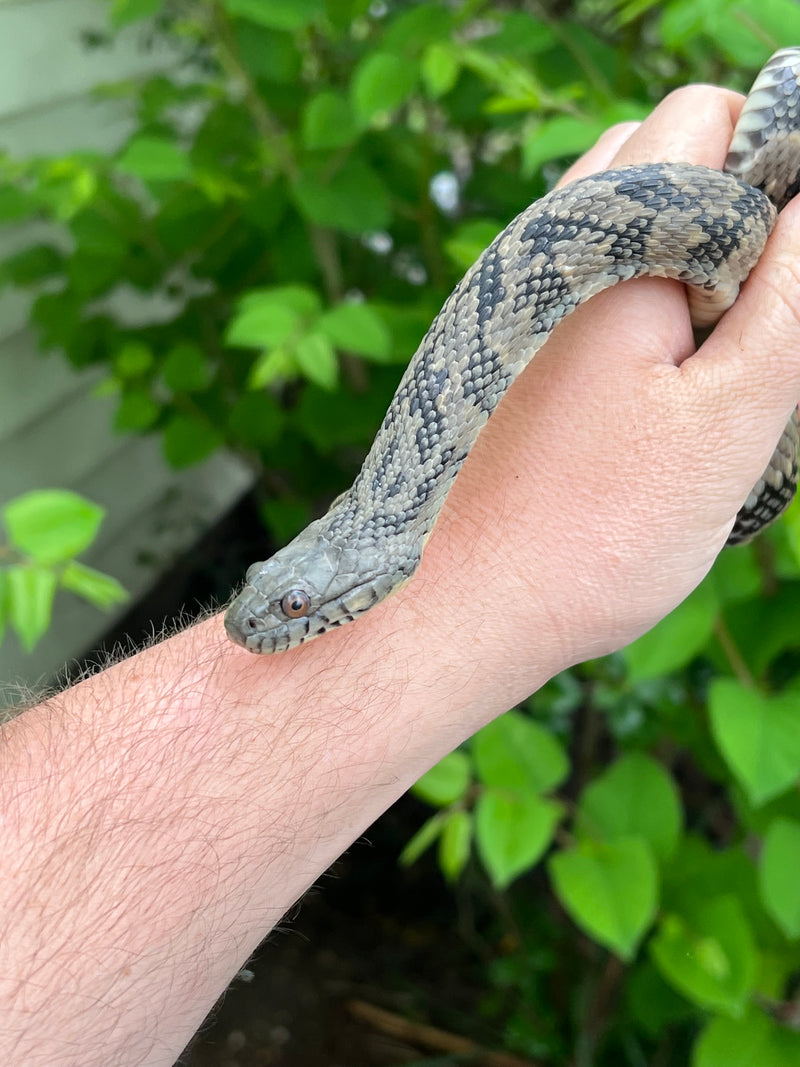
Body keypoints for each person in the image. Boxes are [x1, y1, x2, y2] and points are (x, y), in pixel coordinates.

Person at [2, 83, 799, 1067]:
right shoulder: (384, 506)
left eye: (295, 605)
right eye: (285, 595)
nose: (260, 624)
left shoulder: (396, 491)